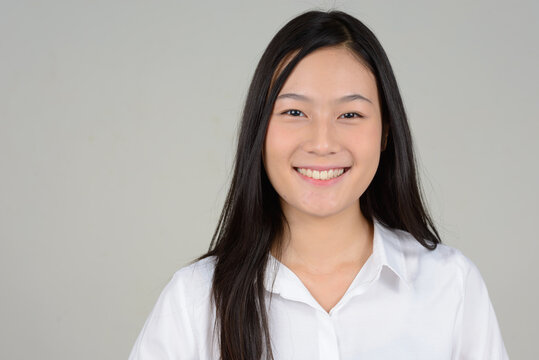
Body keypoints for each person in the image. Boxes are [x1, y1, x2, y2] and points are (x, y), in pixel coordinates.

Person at [128, 10, 509, 360]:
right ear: (259, 130)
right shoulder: (195, 300)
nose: (323, 143)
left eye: (350, 113)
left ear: (386, 132)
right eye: (294, 112)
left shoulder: (451, 285)